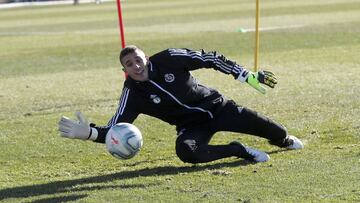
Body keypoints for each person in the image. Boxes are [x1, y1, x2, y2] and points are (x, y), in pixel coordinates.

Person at [58, 45, 303, 164]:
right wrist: (89, 133)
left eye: (138, 59)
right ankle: (238, 150)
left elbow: (210, 58)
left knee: (278, 132)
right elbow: (114, 128)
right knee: (186, 152)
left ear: (146, 56)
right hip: (191, 127)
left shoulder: (169, 58)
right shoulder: (132, 93)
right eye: (129, 64)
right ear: (124, 70)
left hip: (219, 108)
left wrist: (244, 74)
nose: (136, 65)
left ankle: (282, 140)